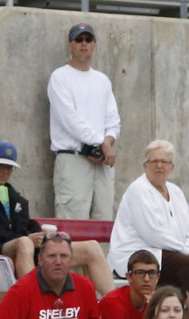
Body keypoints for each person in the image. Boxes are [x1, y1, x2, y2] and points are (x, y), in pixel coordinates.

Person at [0, 141, 114, 296]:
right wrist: (27, 239)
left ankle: (116, 309)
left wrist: (42, 237)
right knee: (24, 242)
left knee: (91, 247)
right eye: (0, 166)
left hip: (27, 251)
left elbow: (25, 225)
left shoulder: (13, 196)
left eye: (9, 167)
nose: (5, 171)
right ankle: (36, 306)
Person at [108, 140, 189, 319]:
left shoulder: (176, 192)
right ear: (145, 165)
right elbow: (152, 233)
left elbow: (188, 230)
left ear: (171, 167)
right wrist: (186, 252)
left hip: (167, 254)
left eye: (164, 162)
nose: (159, 165)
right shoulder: (138, 189)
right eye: (154, 161)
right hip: (137, 254)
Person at [48, 22, 120, 220]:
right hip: (73, 159)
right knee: (72, 222)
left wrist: (106, 143)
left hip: (102, 161)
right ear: (70, 44)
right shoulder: (60, 77)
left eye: (88, 39)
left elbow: (113, 120)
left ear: (95, 44)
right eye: (78, 39)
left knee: (104, 220)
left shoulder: (102, 80)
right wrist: (101, 143)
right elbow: (69, 119)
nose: (83, 44)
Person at [99, 250, 159, 319]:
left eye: (152, 273)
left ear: (157, 278)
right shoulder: (113, 302)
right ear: (129, 277)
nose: (147, 279)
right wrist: (151, 311)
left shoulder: (160, 303)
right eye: (140, 273)